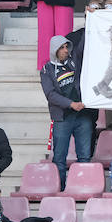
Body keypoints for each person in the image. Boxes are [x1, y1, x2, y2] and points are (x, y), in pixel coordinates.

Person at [40, 34, 89, 185]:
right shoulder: (46, 69)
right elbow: (50, 95)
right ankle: (60, 189)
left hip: (82, 116)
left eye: (67, 46)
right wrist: (71, 104)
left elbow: (82, 45)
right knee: (59, 158)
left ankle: (84, 187)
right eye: (61, 48)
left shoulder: (75, 62)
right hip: (62, 118)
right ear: (54, 50)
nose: (65, 50)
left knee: (85, 157)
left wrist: (91, 19)